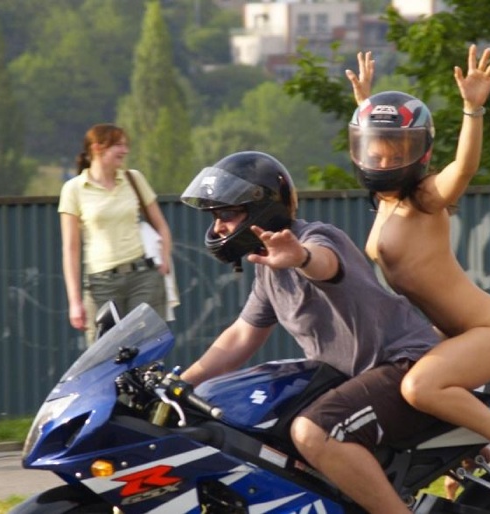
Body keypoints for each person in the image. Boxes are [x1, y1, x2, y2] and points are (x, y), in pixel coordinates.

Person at [179, 150, 444, 514]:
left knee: (313, 432)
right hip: (360, 380)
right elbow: (241, 336)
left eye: (226, 214)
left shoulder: (315, 237)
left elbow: (325, 263)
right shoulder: (268, 268)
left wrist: (301, 257)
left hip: (402, 364)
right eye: (214, 217)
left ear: (262, 208)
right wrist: (180, 385)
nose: (219, 227)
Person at [346, 45, 490, 506]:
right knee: (381, 379)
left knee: (421, 387)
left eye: (394, 153)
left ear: (417, 154)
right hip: (446, 331)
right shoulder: (387, 202)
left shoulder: (426, 199)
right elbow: (383, 141)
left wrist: (473, 108)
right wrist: (367, 105)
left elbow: (465, 168)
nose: (383, 160)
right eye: (375, 151)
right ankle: (468, 456)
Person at [58, 123, 173, 345]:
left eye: (125, 145)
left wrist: (165, 258)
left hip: (143, 276)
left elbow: (161, 225)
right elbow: (70, 249)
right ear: (97, 148)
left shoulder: (133, 179)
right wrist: (74, 301)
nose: (125, 150)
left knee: (146, 348)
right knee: (104, 352)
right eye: (118, 145)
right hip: (101, 283)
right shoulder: (74, 189)